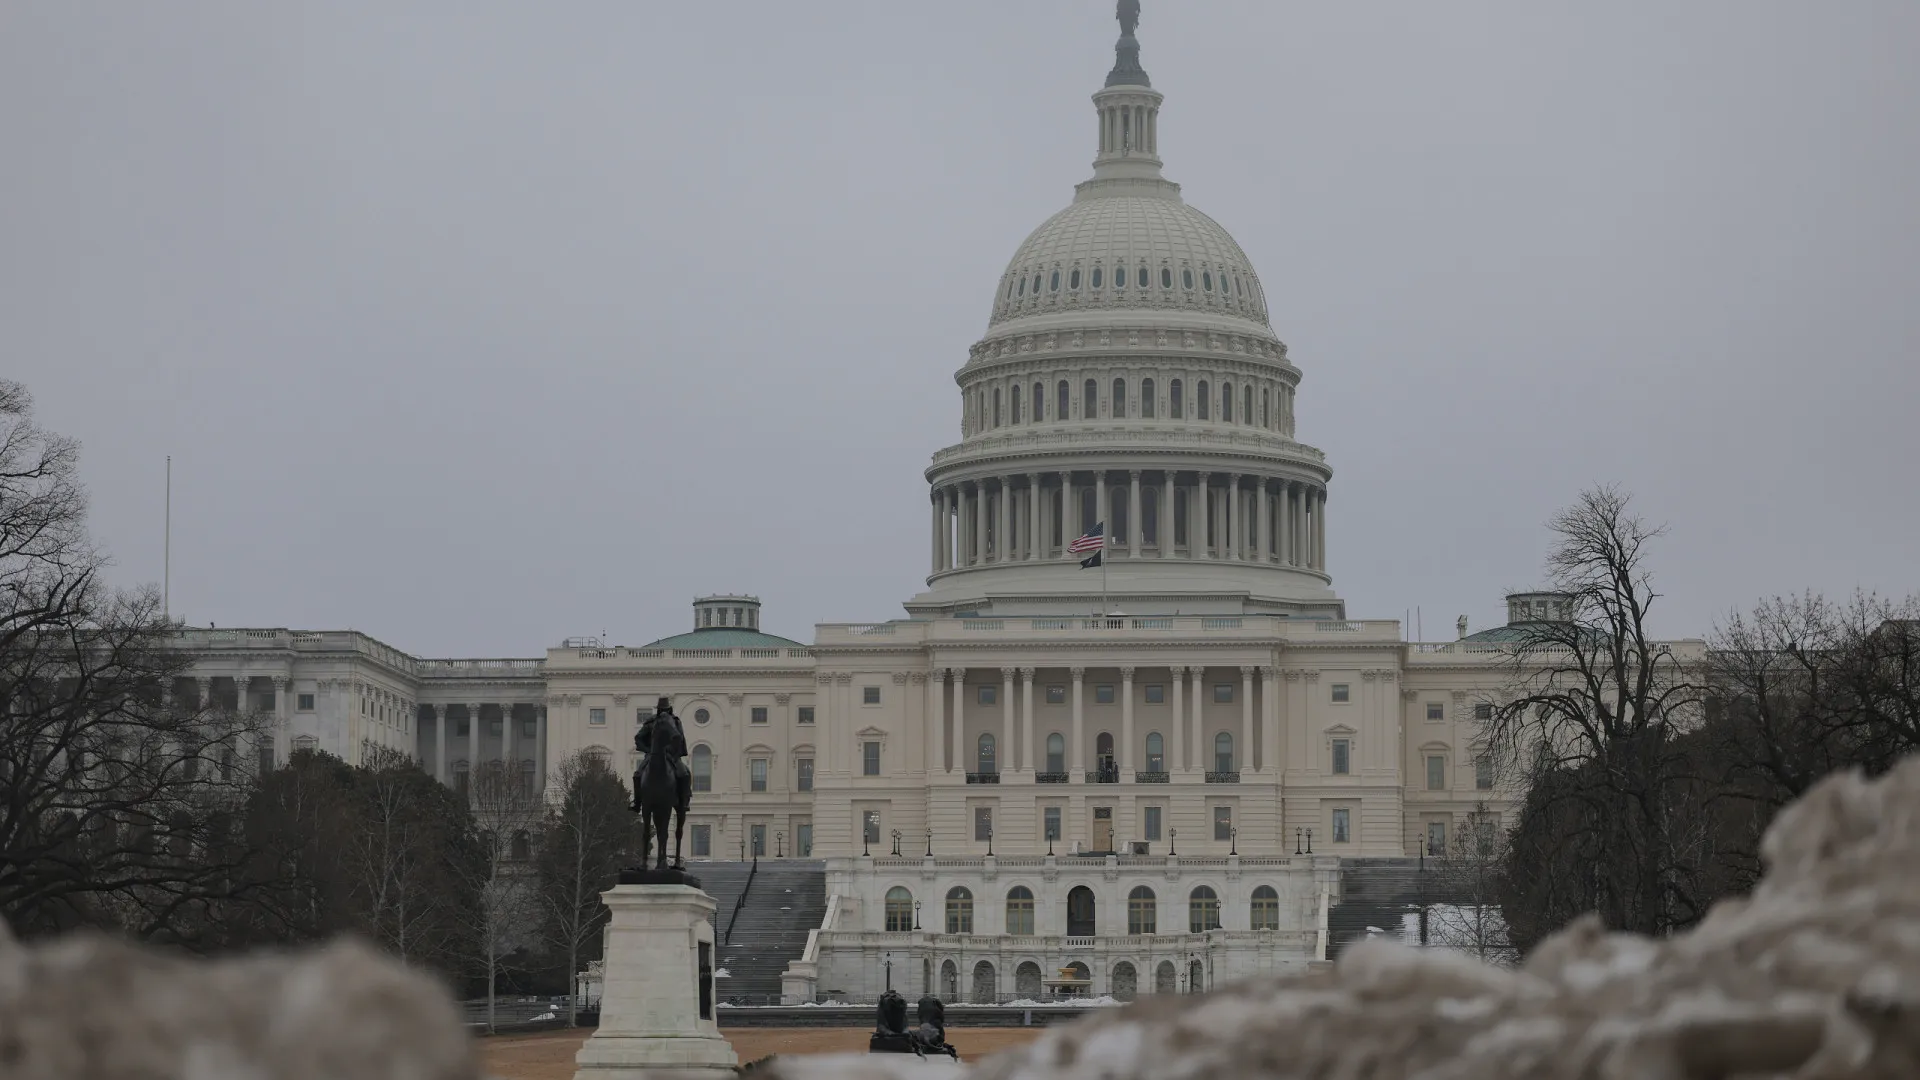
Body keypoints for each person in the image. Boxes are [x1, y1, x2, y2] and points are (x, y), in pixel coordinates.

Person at [633, 697, 691, 809]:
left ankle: (684, 801)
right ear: (658, 710)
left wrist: (672, 751)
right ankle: (637, 801)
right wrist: (648, 749)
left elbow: (680, 739)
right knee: (637, 774)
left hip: (672, 756)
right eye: (661, 709)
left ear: (669, 710)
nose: (664, 712)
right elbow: (639, 738)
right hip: (652, 755)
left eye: (665, 709)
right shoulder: (651, 722)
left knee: (684, 774)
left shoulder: (675, 722)